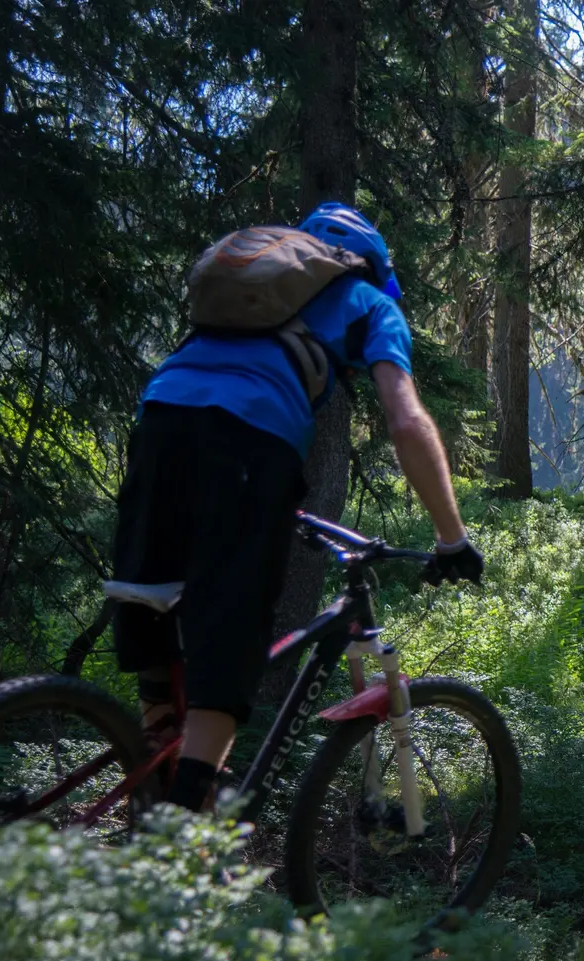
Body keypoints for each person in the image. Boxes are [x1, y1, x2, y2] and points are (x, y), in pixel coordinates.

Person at [112, 202, 483, 813]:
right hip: (249, 439)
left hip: (157, 422)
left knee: (153, 601)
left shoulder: (253, 292)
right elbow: (405, 418)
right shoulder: (370, 303)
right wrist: (451, 537)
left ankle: (156, 790)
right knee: (227, 646)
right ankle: (177, 837)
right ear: (374, 266)